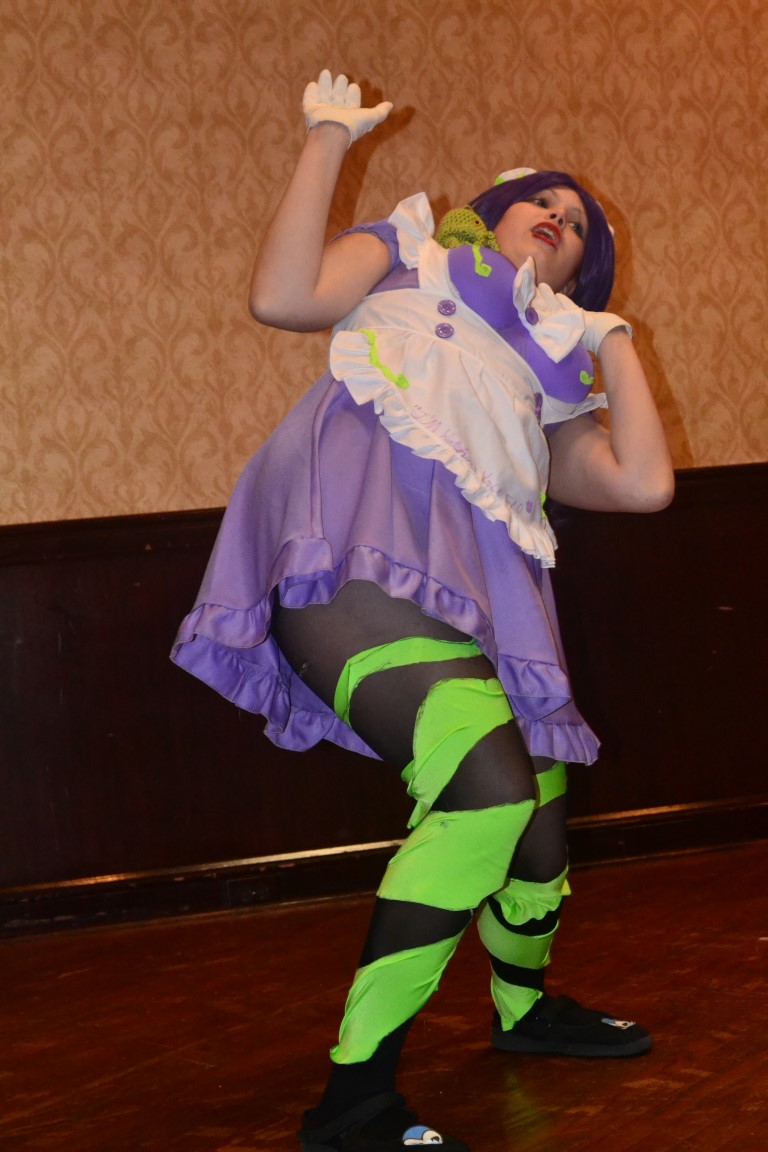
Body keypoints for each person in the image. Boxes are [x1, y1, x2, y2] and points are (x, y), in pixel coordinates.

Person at [172, 71, 675, 1152]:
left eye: (581, 226)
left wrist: (611, 339)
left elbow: (643, 483)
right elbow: (282, 296)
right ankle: (354, 1099)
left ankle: (524, 1009)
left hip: (479, 607)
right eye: (545, 200)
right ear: (495, 212)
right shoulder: (410, 253)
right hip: (351, 565)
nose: (561, 216)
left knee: (538, 816)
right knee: (489, 797)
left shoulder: (546, 384)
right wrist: (326, 138)